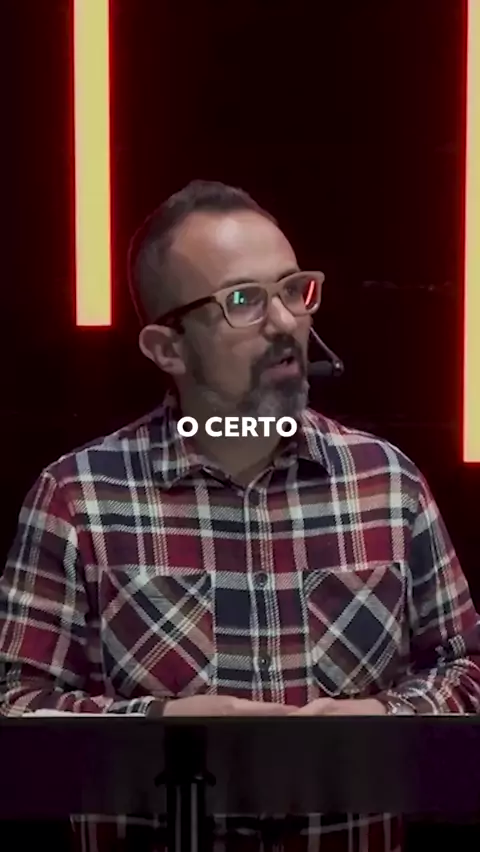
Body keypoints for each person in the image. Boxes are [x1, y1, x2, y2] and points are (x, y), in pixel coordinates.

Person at [1, 179, 480, 852]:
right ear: (167, 349)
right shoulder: (77, 500)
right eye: (243, 301)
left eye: (293, 290)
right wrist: (164, 729)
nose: (285, 323)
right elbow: (16, 707)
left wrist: (382, 718)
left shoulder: (386, 484)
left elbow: (467, 670)